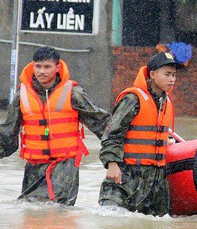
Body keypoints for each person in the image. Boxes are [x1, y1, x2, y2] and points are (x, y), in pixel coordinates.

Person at [0, 46, 110, 205]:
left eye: (47, 67)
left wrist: (116, 155)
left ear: (57, 67)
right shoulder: (21, 96)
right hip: (34, 167)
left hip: (64, 166)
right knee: (29, 210)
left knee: (55, 209)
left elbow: (102, 124)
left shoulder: (73, 94)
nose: (41, 71)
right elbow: (8, 135)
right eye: (38, 66)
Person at [98, 50, 184, 216]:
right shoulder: (132, 99)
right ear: (152, 74)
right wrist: (112, 164)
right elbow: (112, 134)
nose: (172, 79)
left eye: (174, 75)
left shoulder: (166, 102)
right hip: (128, 175)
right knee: (113, 223)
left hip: (156, 180)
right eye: (167, 74)